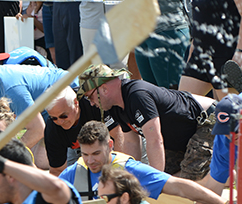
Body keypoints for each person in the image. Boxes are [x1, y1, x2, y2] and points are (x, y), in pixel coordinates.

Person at [80, 64, 216, 180]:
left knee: (188, 177)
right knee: (167, 178)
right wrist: (130, 179)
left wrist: (156, 181)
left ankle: (224, 174)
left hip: (207, 120)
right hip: (183, 137)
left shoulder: (137, 95)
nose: (91, 104)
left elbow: (155, 140)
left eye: (90, 97)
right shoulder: (114, 107)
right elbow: (131, 142)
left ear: (104, 89)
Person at [59, 121, 227, 204]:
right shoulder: (74, 173)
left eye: (96, 154)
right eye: (85, 154)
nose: (90, 161)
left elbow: (179, 187)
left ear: (110, 145)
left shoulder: (129, 169)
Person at [44, 85, 119, 176]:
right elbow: (57, 171)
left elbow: (119, 136)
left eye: (64, 116)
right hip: (77, 150)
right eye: (54, 118)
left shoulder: (94, 103)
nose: (60, 122)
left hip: (108, 142)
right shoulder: (52, 128)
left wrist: (118, 172)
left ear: (76, 103)